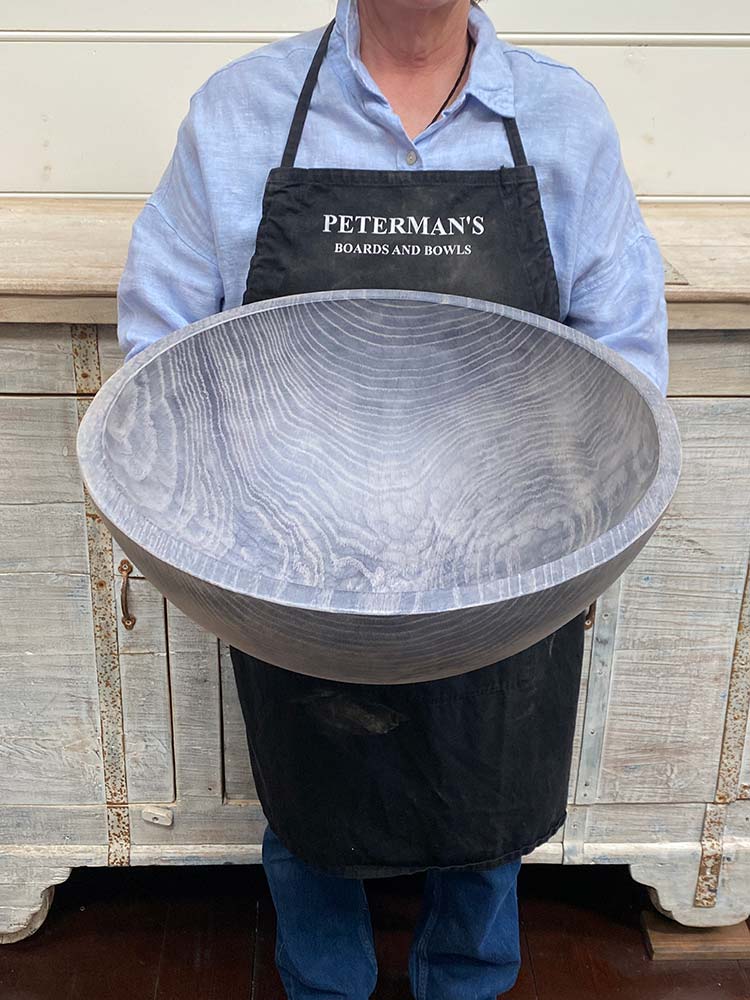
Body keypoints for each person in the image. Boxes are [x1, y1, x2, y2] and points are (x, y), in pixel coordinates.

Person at [117, 0, 669, 996]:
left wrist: (589, 533)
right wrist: (220, 526)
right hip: (292, 560)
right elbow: (162, 359)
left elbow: (625, 364)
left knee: (486, 798)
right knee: (312, 804)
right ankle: (322, 985)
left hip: (509, 554)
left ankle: (466, 983)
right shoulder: (239, 112)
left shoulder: (562, 119)